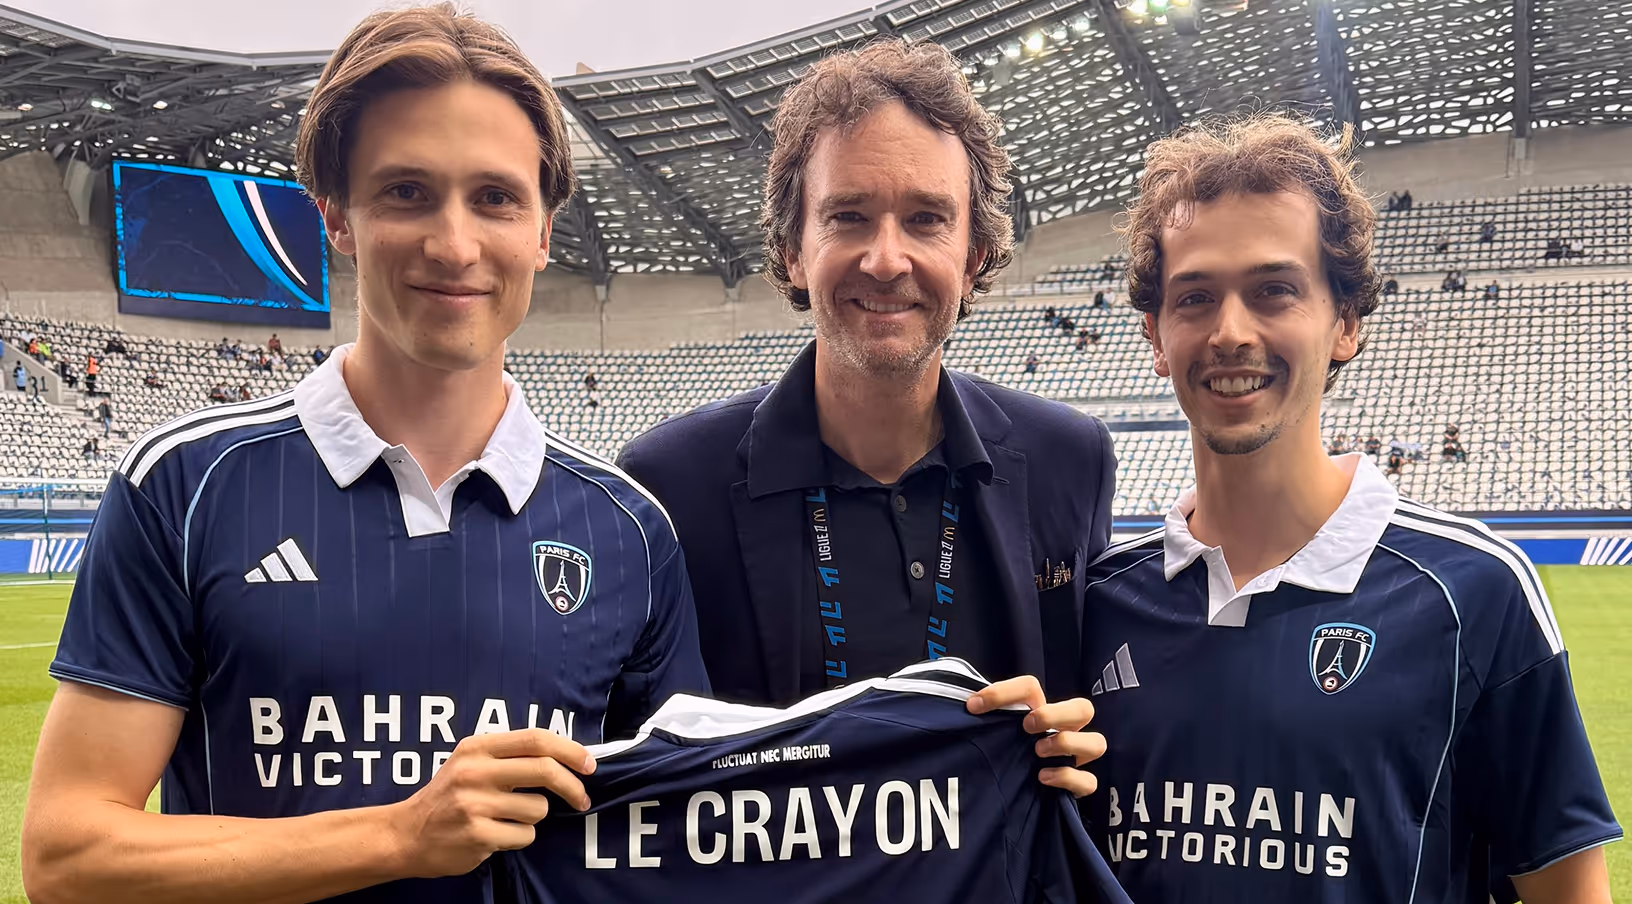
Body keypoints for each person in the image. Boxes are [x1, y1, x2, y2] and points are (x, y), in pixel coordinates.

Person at [21, 6, 709, 903]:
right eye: (406, 192)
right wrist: (397, 834)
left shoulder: (629, 530)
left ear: (545, 231)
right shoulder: (182, 488)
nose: (454, 244)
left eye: (495, 197)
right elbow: (67, 858)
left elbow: (684, 839)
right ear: (336, 219)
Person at [1081, 113, 1619, 902]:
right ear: (1156, 337)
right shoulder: (1098, 606)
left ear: (1346, 323)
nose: (1230, 332)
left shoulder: (1475, 594)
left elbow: (1566, 890)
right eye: (1195, 297)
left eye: (1274, 291)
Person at [616, 39, 1109, 802]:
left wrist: (1085, 742)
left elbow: (1104, 718)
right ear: (790, 250)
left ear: (975, 253)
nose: (886, 259)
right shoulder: (669, 486)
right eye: (849, 216)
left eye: (926, 219)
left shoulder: (1068, 461)